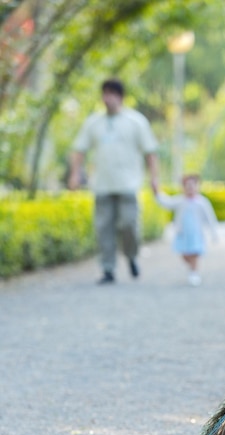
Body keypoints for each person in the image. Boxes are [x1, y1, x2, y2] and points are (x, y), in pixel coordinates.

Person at [68, 78, 159, 284]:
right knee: (104, 228)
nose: (107, 98)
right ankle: (108, 268)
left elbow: (150, 153)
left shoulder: (136, 121)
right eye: (104, 94)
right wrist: (75, 173)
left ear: (120, 96)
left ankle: (131, 255)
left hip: (128, 184)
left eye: (111, 94)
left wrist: (154, 178)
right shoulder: (93, 123)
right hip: (102, 185)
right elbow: (79, 149)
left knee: (129, 224)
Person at [156, 174, 218, 286]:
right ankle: (192, 267)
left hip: (196, 234)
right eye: (187, 186)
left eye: (192, 185)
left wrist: (214, 234)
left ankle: (194, 273)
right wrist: (157, 193)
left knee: (194, 253)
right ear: (183, 187)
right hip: (182, 234)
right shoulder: (180, 201)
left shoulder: (202, 202)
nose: (190, 188)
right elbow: (167, 202)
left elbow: (210, 219)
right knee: (185, 254)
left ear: (197, 186)